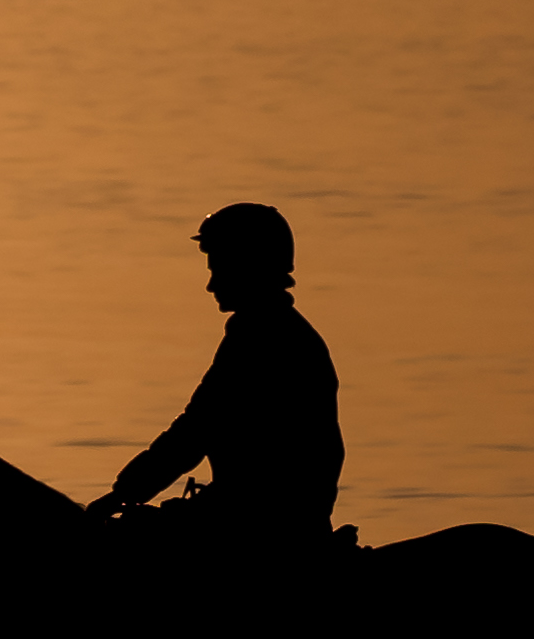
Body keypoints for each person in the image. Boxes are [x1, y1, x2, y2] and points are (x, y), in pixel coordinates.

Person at [89, 200, 344, 549]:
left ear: (247, 266)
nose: (210, 285)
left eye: (218, 268)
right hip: (279, 519)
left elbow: (197, 429)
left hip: (260, 527)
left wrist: (125, 493)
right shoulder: (279, 331)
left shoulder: (262, 338)